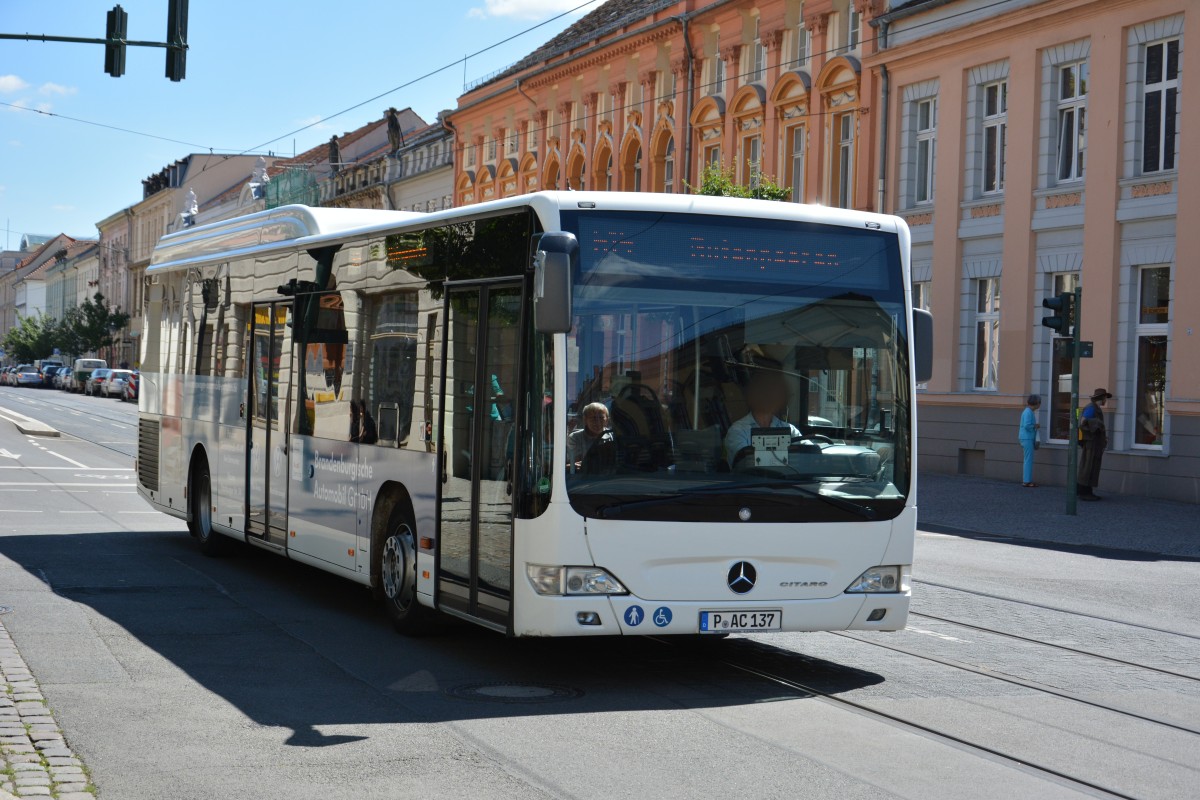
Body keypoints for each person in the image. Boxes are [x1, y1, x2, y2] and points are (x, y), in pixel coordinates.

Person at [724, 368, 801, 468]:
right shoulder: (737, 430)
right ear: (754, 396)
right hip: (750, 483)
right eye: (766, 393)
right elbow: (746, 461)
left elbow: (811, 452)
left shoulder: (790, 429)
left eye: (776, 394)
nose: (771, 397)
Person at [1078, 388, 1111, 500]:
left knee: (1091, 466)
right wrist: (1095, 428)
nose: (1106, 399)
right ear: (1101, 398)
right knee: (1089, 466)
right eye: (1105, 397)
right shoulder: (1091, 408)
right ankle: (1085, 492)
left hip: (1094, 443)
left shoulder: (1095, 408)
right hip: (1091, 443)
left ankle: (1086, 491)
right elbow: (1083, 422)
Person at [567, 402, 613, 472]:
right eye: (593, 418)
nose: (597, 422)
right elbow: (576, 463)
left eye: (601, 418)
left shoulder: (613, 436)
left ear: (607, 420)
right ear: (585, 420)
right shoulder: (574, 438)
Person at [1018, 394, 1041, 487]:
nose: (1040, 405)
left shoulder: (1028, 411)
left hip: (1026, 437)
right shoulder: (1028, 412)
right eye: (1039, 403)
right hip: (1027, 437)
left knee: (1028, 459)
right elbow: (1027, 426)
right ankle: (1027, 481)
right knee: (1028, 460)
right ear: (1036, 403)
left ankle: (1027, 480)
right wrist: (1035, 426)